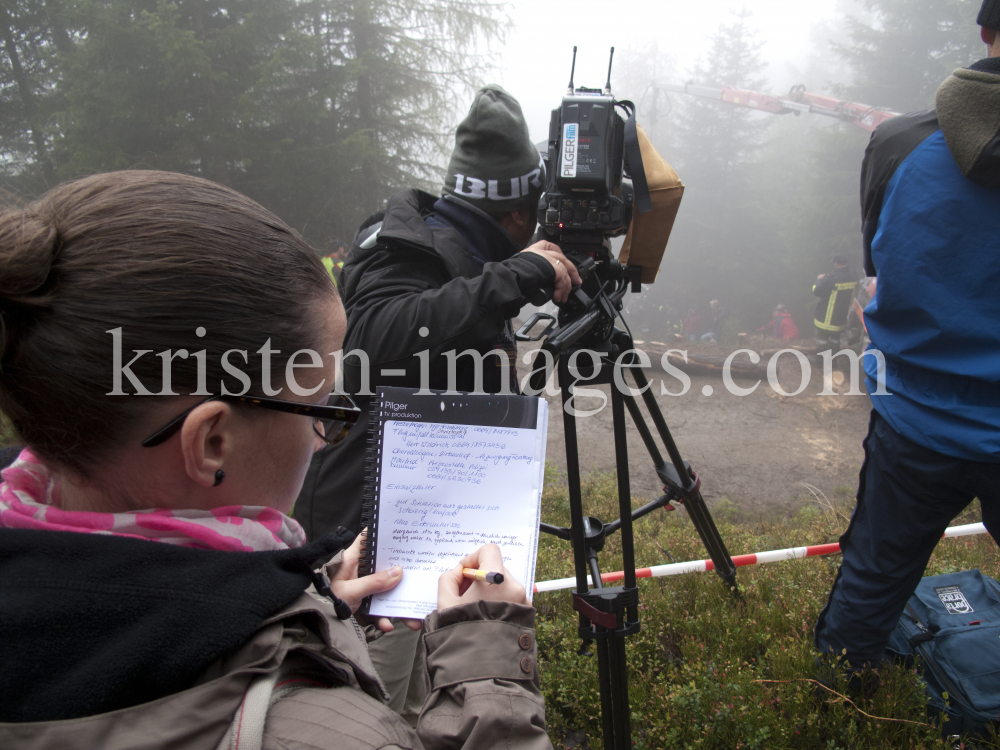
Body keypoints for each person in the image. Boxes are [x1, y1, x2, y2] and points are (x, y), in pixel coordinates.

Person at [0, 171, 551, 750]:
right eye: (321, 409)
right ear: (213, 441)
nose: (322, 438)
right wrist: (489, 676)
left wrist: (316, 612)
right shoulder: (321, 730)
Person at [292, 84, 579, 722]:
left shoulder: (464, 248)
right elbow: (372, 341)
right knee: (378, 711)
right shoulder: (409, 246)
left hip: (428, 515)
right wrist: (521, 274)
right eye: (532, 215)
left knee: (436, 696)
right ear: (511, 215)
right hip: (373, 542)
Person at [814, 1, 1000, 671]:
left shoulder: (896, 143)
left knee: (873, 580)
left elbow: (880, 267)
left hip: (916, 419)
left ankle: (840, 705)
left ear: (985, 31)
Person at [811, 255, 857, 351]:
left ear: (836, 263)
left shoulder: (831, 279)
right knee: (835, 339)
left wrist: (819, 279)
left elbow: (816, 291)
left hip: (826, 319)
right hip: (841, 319)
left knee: (822, 340)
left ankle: (820, 360)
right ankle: (834, 360)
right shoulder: (854, 277)